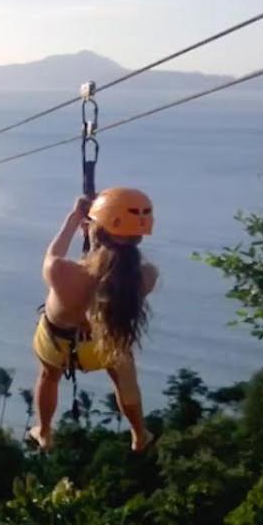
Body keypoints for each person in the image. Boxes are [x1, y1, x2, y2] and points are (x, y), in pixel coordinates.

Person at [27, 188, 158, 453]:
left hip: (57, 345)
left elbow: (52, 257)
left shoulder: (63, 273)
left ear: (96, 231)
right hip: (104, 346)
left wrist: (75, 218)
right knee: (124, 376)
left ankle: (44, 431)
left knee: (48, 376)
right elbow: (109, 277)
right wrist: (96, 233)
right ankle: (138, 432)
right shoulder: (145, 276)